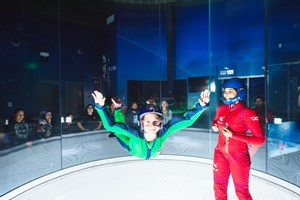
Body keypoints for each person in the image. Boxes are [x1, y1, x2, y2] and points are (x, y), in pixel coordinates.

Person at [92, 89, 210, 160]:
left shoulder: (162, 132)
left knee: (119, 129)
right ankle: (117, 108)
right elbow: (110, 126)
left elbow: (187, 120)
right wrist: (100, 107)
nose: (152, 126)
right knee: (118, 131)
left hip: (149, 153)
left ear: (161, 123)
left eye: (156, 122)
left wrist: (201, 106)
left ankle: (150, 106)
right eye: (147, 122)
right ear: (141, 122)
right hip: (131, 146)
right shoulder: (134, 133)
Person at [211, 78, 266, 200]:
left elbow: (260, 140)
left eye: (230, 91)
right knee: (218, 188)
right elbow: (215, 121)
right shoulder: (221, 109)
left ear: (240, 92)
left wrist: (233, 135)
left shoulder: (247, 112)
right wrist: (214, 126)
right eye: (225, 91)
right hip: (220, 153)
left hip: (239, 156)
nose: (226, 94)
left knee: (241, 192)